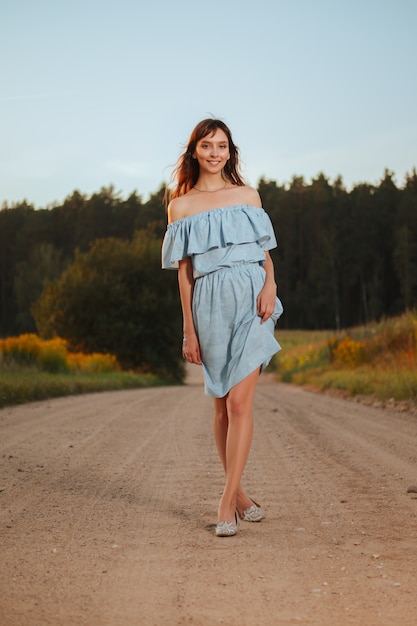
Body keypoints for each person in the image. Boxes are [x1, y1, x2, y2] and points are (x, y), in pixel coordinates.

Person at [162, 118, 283, 537]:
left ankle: (225, 502)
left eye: (223, 146)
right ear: (195, 151)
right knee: (220, 406)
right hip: (209, 304)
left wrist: (270, 286)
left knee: (238, 405)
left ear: (230, 152)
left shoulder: (248, 196)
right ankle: (243, 495)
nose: (215, 153)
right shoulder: (181, 206)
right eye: (207, 146)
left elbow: (265, 253)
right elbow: (184, 275)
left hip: (252, 299)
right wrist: (189, 331)